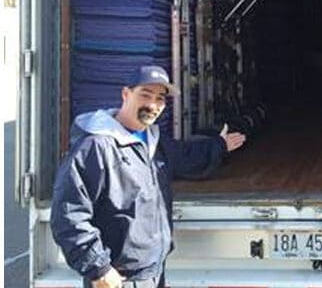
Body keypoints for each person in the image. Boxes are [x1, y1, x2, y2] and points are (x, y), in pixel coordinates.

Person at [51, 65, 247, 288]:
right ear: (126, 94)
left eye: (160, 99)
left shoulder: (153, 141)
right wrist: (99, 269)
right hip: (119, 279)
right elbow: (68, 214)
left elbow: (185, 158)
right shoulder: (96, 147)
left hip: (152, 273)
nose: (153, 105)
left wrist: (219, 146)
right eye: (145, 95)